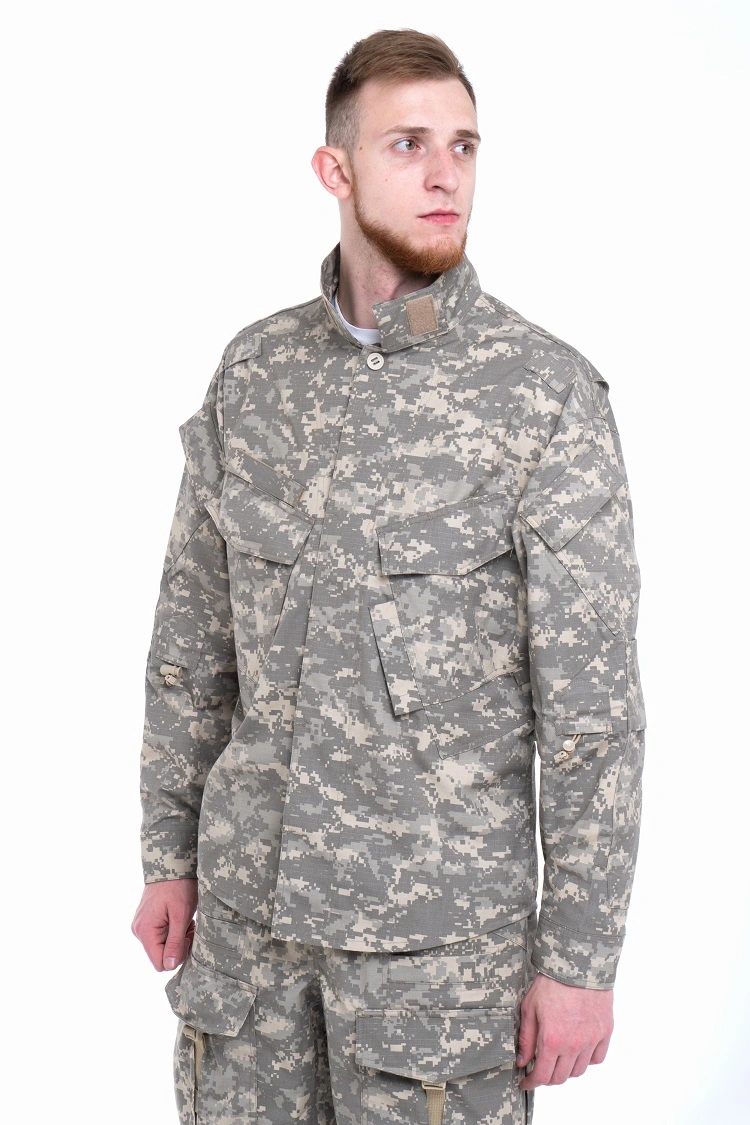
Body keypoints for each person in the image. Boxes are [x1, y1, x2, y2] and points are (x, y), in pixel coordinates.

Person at [131, 27, 646, 1125]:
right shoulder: (254, 374)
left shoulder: (542, 395)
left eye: (464, 145)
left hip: (437, 971)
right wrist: (167, 854)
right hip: (248, 948)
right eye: (408, 143)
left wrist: (581, 959)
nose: (444, 172)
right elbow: (191, 647)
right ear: (336, 169)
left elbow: (593, 712)